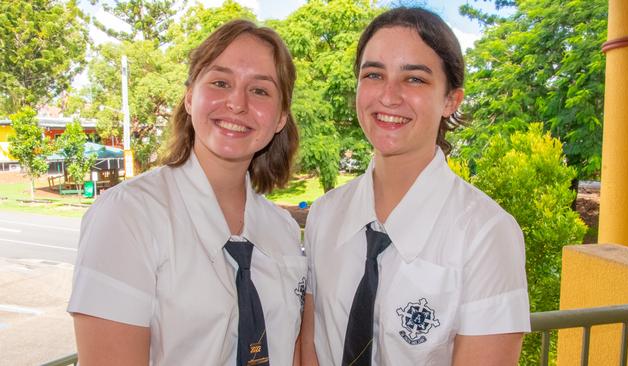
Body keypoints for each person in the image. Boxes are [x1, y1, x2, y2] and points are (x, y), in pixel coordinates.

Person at [68, 20, 306, 366]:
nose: (237, 103)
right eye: (220, 82)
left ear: (281, 116)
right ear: (190, 97)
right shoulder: (128, 216)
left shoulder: (282, 231)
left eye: (260, 90)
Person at [301, 7, 530, 366]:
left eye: (415, 79)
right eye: (374, 74)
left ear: (451, 100)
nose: (389, 96)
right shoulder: (325, 215)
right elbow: (310, 348)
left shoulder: (486, 235)